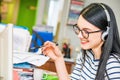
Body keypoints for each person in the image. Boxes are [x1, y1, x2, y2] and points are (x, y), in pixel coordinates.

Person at [42, 3, 120, 80]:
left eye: (86, 31)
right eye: (79, 29)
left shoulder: (113, 65)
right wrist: (58, 59)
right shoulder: (85, 54)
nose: (79, 35)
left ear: (105, 33)